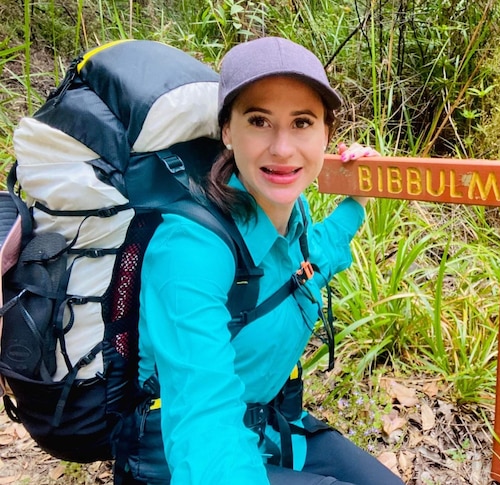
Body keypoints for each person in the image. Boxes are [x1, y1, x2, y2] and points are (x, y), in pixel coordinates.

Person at [112, 37, 405, 485]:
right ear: (228, 132)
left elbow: (303, 268)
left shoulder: (292, 214)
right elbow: (201, 411)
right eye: (259, 120)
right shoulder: (190, 247)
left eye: (302, 122)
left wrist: (356, 202)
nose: (283, 148)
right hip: (178, 453)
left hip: (272, 425)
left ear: (326, 133)